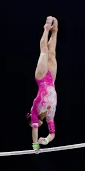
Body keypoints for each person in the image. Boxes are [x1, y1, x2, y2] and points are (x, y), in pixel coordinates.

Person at [26, 16, 58, 151]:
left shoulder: (34, 110)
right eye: (38, 125)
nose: (37, 125)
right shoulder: (50, 116)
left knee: (44, 51)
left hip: (41, 77)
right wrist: (45, 140)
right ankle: (55, 31)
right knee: (52, 53)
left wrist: (35, 145)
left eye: (34, 124)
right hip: (52, 80)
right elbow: (52, 134)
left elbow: (34, 131)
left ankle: (46, 29)